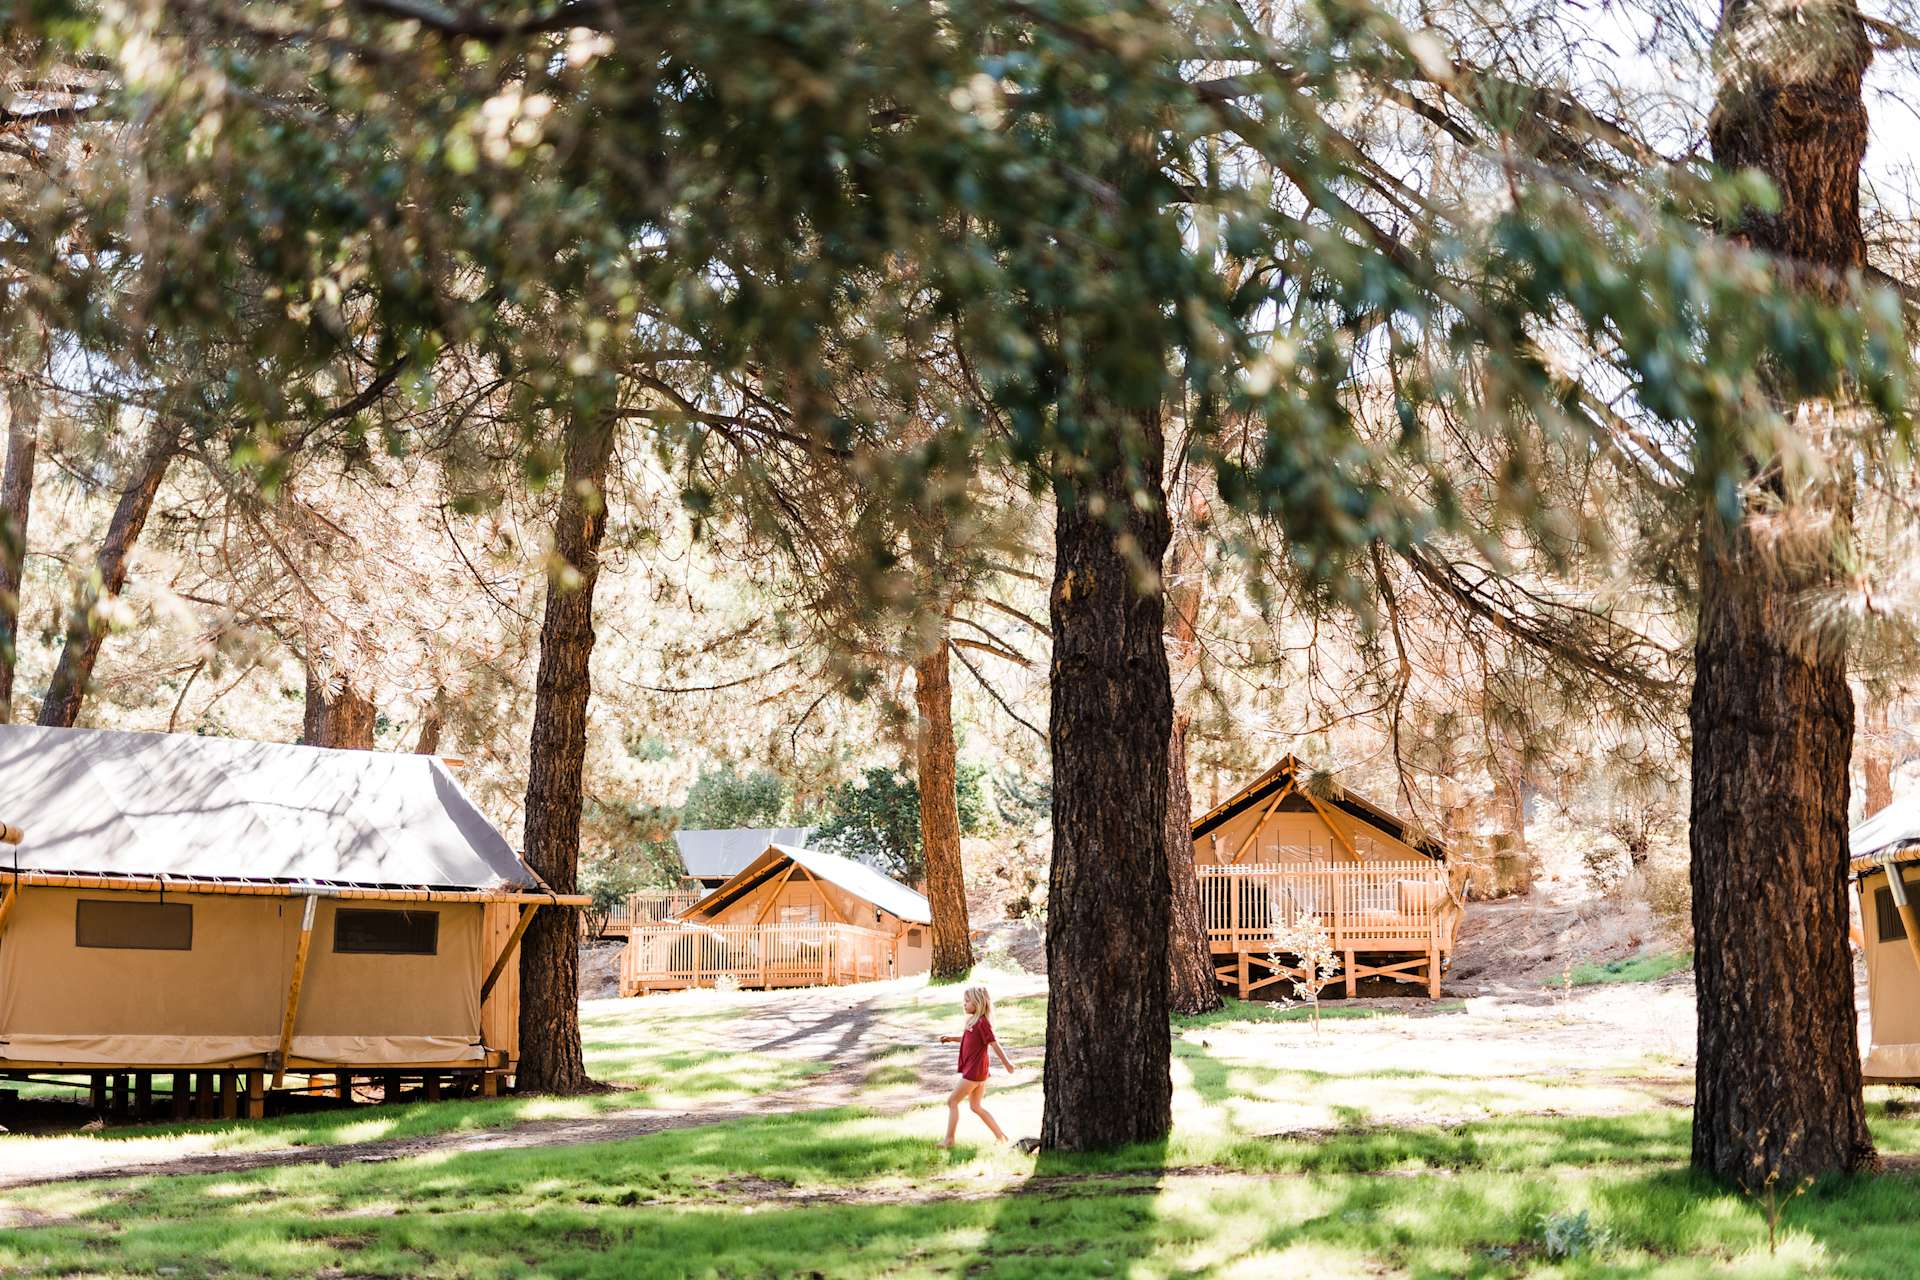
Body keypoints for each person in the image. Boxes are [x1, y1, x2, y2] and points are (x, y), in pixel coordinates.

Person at [938, 985, 1016, 1148]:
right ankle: (1001, 1137)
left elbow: (994, 1044)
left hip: (974, 1072)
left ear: (978, 1002)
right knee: (975, 1106)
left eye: (967, 1001)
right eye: (964, 1001)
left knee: (952, 1101)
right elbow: (968, 1039)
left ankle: (949, 1140)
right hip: (977, 1072)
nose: (964, 1004)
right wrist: (952, 1038)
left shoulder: (982, 1023)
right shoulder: (973, 1022)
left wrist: (1007, 1064)